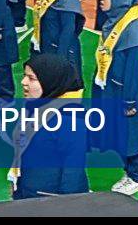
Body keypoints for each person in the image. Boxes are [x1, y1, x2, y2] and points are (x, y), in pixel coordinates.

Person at [90, 0, 138, 196]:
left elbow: (134, 75)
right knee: (118, 133)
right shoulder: (114, 24)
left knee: (131, 136)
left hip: (126, 98)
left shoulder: (134, 33)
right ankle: (129, 170)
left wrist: (129, 103)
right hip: (111, 91)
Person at [11, 53, 89, 199]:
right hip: (27, 192)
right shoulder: (34, 106)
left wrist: (65, 205)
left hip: (49, 200)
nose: (23, 82)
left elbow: (73, 173)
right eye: (24, 75)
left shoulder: (69, 120)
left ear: (50, 80)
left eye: (31, 78)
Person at [32, 0, 85, 77]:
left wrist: (59, 61)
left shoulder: (68, 1)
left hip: (62, 55)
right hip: (46, 50)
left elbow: (67, 33)